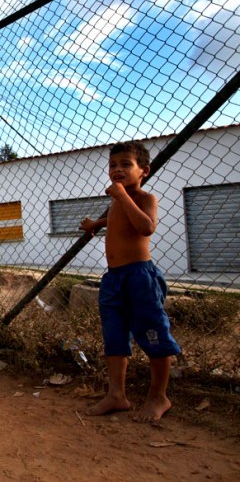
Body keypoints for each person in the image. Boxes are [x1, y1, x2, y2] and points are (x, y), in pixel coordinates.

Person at [79, 142, 181, 422]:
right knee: (114, 336)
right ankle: (116, 395)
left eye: (126, 164)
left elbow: (146, 226)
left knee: (153, 334)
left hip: (140, 278)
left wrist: (122, 195)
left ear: (144, 171)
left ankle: (159, 397)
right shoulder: (116, 202)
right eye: (113, 165)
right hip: (114, 279)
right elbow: (114, 220)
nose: (117, 170)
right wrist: (94, 225)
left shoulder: (145, 198)